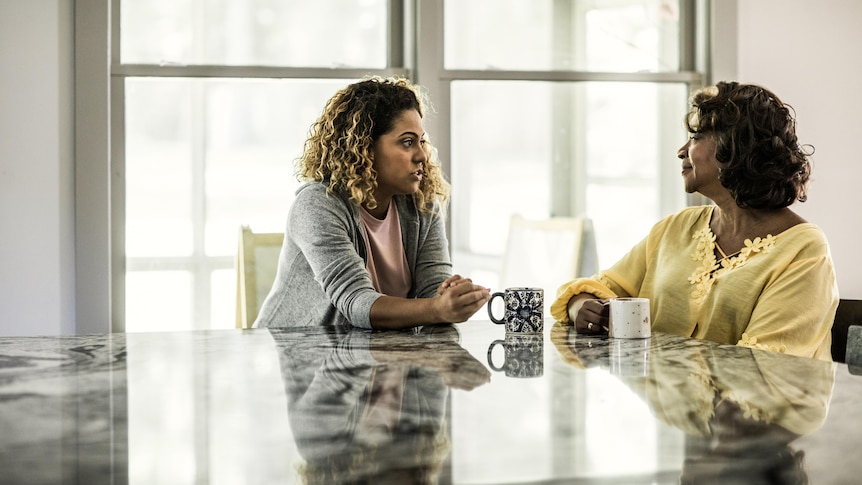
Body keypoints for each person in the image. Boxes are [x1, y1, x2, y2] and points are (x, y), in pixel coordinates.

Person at [550, 81, 838, 361]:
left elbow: (764, 368)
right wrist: (581, 308)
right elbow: (596, 289)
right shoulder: (674, 229)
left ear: (737, 146)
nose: (681, 150)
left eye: (697, 137)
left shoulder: (805, 250)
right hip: (671, 408)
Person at [255, 76, 490, 330]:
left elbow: (433, 292)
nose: (422, 155)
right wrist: (438, 308)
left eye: (422, 141)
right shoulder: (317, 205)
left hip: (373, 357)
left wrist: (450, 297)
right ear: (364, 148)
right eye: (407, 142)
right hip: (294, 357)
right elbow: (357, 302)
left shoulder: (422, 203)